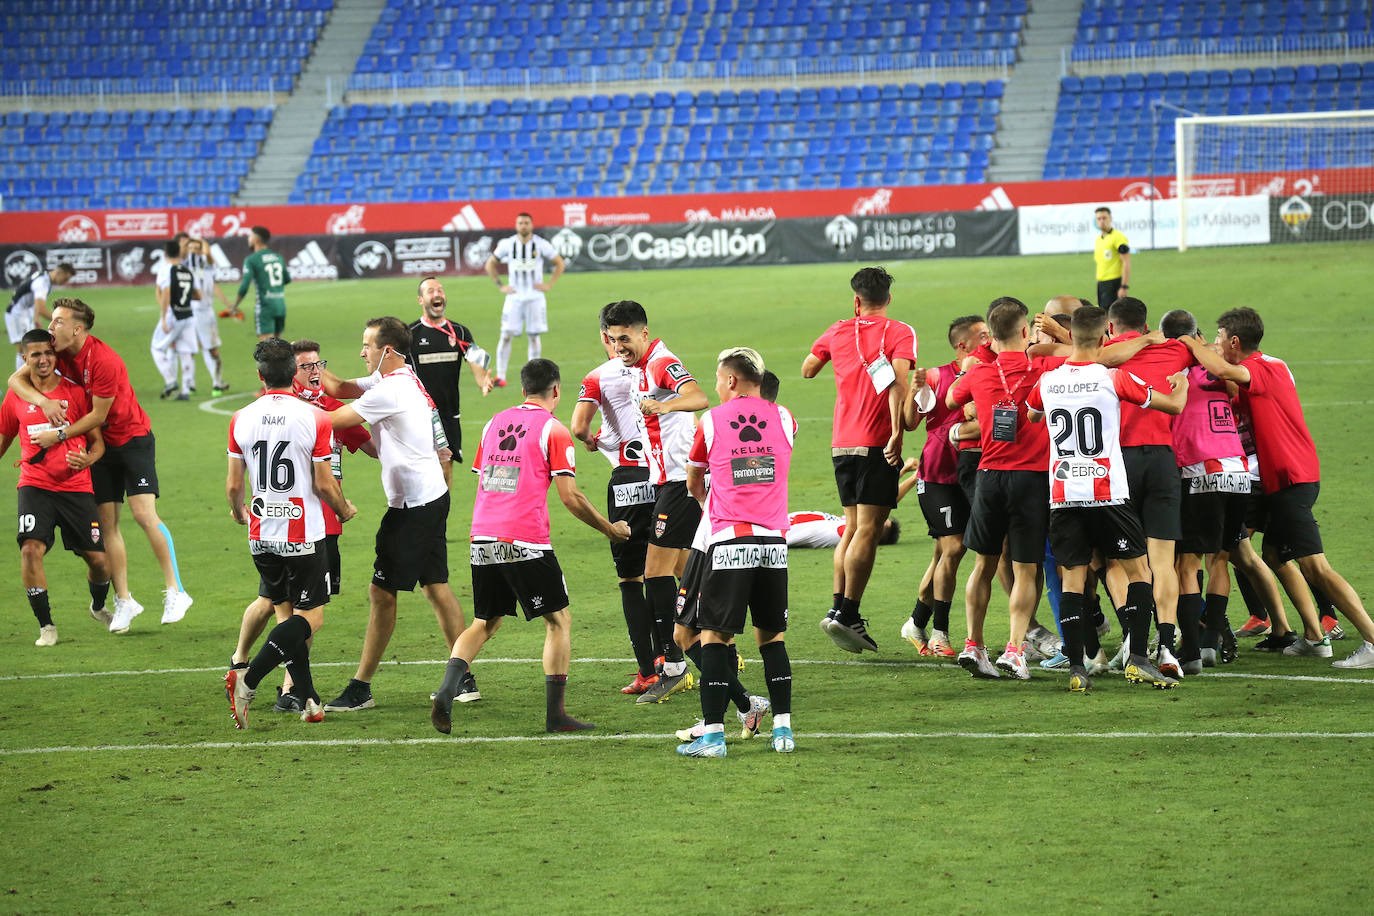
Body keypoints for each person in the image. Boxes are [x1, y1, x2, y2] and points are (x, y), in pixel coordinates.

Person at [430, 358, 630, 734]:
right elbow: (570, 498)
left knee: (484, 622)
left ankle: (446, 690)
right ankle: (556, 715)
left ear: (523, 390)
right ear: (557, 391)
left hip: (481, 537)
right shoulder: (553, 430)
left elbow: (488, 479)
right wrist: (610, 529)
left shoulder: (492, 424)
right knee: (558, 621)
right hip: (525, 539)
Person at [1178, 307, 1374, 668]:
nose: (1216, 344)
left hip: (1291, 480)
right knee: (1271, 555)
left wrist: (1188, 342)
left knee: (1317, 567)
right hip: (1274, 480)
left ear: (1235, 342)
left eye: (1220, 338)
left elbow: (1221, 370)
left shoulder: (1265, 368)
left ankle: (1371, 638)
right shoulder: (1267, 367)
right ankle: (1314, 638)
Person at [1027, 305, 1187, 691]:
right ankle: (1137, 660)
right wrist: (1180, 386)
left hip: (1064, 494)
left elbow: (1031, 416)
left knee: (1073, 581)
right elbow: (1173, 406)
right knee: (1139, 572)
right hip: (1108, 492)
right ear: (1103, 339)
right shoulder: (1114, 377)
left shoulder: (1047, 381)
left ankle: (1078, 669)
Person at [7, 298, 191, 632]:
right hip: (103, 447)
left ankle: (175, 590)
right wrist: (44, 402)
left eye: (57, 322)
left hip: (132, 439)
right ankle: (123, 600)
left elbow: (97, 415)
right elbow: (15, 381)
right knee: (108, 526)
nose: (51, 328)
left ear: (77, 328)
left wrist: (58, 434)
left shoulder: (104, 360)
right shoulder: (57, 353)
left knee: (143, 515)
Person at [319, 317, 475, 710]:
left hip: (414, 506)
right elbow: (338, 388)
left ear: (387, 351)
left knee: (381, 592)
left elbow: (331, 420)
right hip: (431, 496)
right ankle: (464, 679)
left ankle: (361, 688)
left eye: (367, 345)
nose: (361, 351)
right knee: (435, 585)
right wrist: (311, 370)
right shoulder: (397, 378)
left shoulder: (391, 391)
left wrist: (285, 405)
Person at [229, 340, 377, 713]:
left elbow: (233, 486)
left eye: (317, 365)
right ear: (290, 372)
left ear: (261, 375)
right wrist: (343, 509)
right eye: (306, 366)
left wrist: (238, 510)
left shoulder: (243, 416)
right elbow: (325, 484)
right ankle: (251, 677)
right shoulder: (315, 418)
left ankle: (302, 695)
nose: (314, 371)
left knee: (281, 610)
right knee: (307, 617)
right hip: (306, 530)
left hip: (262, 531)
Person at [675, 347, 798, 757]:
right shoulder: (785, 418)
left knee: (713, 637)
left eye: (716, 378)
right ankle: (783, 731)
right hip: (775, 543)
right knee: (772, 639)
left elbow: (693, 480)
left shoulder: (709, 421)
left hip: (729, 541)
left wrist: (711, 498)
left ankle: (712, 737)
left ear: (730, 380)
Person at [596, 300, 709, 703]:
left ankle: (675, 666)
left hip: (681, 480)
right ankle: (705, 645)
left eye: (625, 338)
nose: (619, 345)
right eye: (613, 339)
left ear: (644, 333)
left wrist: (665, 404)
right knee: (680, 569)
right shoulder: (637, 368)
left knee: (656, 572)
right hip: (667, 481)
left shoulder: (662, 362)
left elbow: (698, 397)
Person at [803, 266, 915, 653]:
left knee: (852, 527)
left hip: (841, 442)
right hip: (876, 441)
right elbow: (899, 382)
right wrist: (898, 433)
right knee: (868, 529)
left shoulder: (837, 330)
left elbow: (808, 369)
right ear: (888, 298)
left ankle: (838, 610)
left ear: (856, 299)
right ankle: (849, 612)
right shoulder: (900, 332)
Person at [946, 299, 1055, 679]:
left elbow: (949, 398)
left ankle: (973, 645)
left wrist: (975, 370)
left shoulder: (980, 373)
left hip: (989, 475)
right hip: (1031, 478)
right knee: (1026, 570)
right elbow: (1085, 354)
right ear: (1025, 332)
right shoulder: (1044, 367)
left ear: (991, 337)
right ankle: (1014, 650)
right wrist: (1052, 339)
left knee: (983, 564)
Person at [1159, 309, 1258, 673]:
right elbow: (1233, 391)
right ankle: (1212, 639)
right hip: (1237, 469)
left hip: (1199, 469)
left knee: (1187, 564)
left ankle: (1190, 651)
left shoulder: (1173, 373)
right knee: (1220, 558)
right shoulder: (1217, 370)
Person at [0, 329, 110, 646]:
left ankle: (99, 605)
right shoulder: (16, 396)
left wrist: (88, 460)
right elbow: (4, 437)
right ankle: (46, 625)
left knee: (100, 562)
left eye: (48, 353)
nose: (43, 359)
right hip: (35, 486)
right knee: (30, 550)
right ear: (25, 359)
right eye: (35, 354)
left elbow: (97, 444)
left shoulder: (75, 394)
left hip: (76, 487)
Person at [571, 326, 662, 695]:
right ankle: (679, 653)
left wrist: (593, 441)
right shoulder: (657, 366)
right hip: (664, 474)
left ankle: (648, 671)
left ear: (606, 338)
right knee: (665, 568)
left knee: (631, 579)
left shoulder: (598, 376)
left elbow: (579, 426)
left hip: (628, 478)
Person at [900, 314, 987, 658]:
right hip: (938, 474)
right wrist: (915, 389)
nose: (990, 338)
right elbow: (910, 422)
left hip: (973, 472)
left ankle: (916, 622)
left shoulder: (990, 370)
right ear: (962, 345)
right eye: (983, 335)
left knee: (945, 554)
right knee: (952, 549)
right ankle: (940, 633)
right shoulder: (938, 376)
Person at [406, 276, 493, 488]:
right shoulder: (409, 334)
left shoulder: (460, 332)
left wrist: (483, 381)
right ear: (420, 300)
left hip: (448, 414)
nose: (437, 294)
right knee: (422, 469)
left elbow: (477, 363)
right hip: (418, 413)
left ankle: (438, 515)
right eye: (431, 291)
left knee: (445, 468)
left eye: (440, 290)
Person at [483, 212, 565, 388]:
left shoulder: (540, 244)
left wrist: (549, 284)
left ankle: (533, 377)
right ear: (516, 225)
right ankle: (501, 376)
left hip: (535, 297)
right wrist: (500, 285)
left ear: (532, 225)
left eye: (526, 222)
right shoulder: (507, 244)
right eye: (520, 223)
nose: (523, 226)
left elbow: (560, 262)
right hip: (514, 297)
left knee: (534, 336)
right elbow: (490, 264)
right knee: (505, 335)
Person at [150, 239, 199, 401]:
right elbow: (197, 294)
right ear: (179, 253)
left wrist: (164, 317)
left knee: (156, 348)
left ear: (165, 254)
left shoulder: (166, 270)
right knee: (185, 352)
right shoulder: (187, 270)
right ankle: (185, 390)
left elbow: (166, 292)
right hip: (188, 314)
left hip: (173, 314)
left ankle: (170, 381)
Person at [183, 237, 231, 396]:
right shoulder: (185, 266)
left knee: (212, 351)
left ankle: (217, 383)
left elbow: (209, 257)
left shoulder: (206, 265)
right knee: (188, 350)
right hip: (190, 313)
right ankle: (189, 384)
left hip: (205, 313)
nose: (194, 251)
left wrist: (200, 244)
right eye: (191, 248)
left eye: (197, 248)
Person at [6, 262, 73, 370]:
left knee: (30, 345)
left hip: (26, 313)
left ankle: (27, 377)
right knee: (23, 348)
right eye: (65, 278)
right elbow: (41, 308)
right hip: (17, 314)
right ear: (59, 272)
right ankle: (19, 381)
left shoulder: (45, 278)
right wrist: (62, 321)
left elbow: (36, 301)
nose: (65, 282)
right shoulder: (42, 283)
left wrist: (36, 318)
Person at [229, 226, 290, 342]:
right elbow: (286, 279)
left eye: (250, 236)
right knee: (279, 349)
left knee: (266, 351)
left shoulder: (252, 260)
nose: (248, 239)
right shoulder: (278, 257)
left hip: (265, 308)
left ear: (256, 240)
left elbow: (244, 286)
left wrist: (235, 306)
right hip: (280, 306)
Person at [1093, 206, 1131, 308]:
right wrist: (1098, 291)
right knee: (1104, 317)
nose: (1101, 221)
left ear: (1110, 218)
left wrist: (1124, 286)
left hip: (1115, 283)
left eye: (1104, 218)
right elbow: (1100, 265)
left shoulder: (1118, 237)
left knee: (1114, 318)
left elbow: (1126, 262)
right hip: (1102, 284)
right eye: (1099, 218)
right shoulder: (1098, 240)